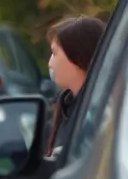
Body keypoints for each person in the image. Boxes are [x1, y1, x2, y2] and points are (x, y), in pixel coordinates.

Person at [44, 15, 106, 156]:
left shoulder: (101, 113)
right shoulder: (64, 107)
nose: (50, 63)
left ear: (77, 56)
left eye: (54, 53)